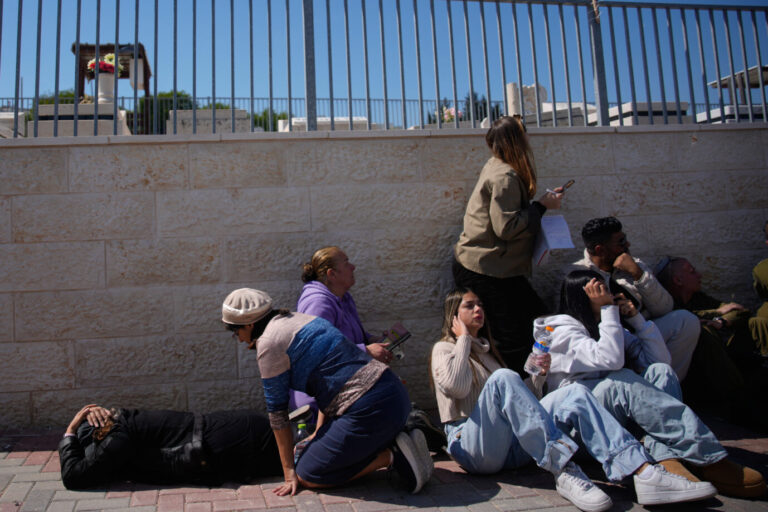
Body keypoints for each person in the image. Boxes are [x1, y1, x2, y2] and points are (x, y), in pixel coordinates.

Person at [430, 289, 719, 511]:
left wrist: (538, 378)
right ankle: (564, 469)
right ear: (453, 315)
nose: (479, 308)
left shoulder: (489, 354)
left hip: (511, 449)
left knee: (574, 393)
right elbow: (456, 387)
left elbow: (525, 409)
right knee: (505, 378)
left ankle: (640, 471)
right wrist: (463, 338)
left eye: (480, 304)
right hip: (470, 445)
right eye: (470, 305)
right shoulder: (444, 348)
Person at [535, 269, 766, 498]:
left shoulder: (607, 326)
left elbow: (659, 361)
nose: (608, 295)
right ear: (584, 296)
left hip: (611, 420)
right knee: (621, 381)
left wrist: (636, 318)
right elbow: (611, 358)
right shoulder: (560, 330)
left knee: (661, 372)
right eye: (600, 290)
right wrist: (608, 311)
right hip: (581, 430)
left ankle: (667, 458)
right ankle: (708, 457)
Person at [221, 288, 433, 496]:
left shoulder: (269, 343)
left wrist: (289, 473)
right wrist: (318, 433)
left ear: (249, 324)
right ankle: (398, 441)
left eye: (236, 331)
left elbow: (277, 413)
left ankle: (392, 456)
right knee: (309, 451)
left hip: (370, 410)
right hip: (395, 396)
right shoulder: (302, 319)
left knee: (309, 473)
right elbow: (328, 383)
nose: (238, 339)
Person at [297, 246, 446, 450]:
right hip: (321, 403)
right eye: (346, 263)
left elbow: (351, 335)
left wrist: (375, 340)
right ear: (331, 274)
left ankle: (408, 430)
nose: (353, 266)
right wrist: (367, 351)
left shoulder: (344, 297)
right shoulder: (319, 304)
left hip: (347, 384)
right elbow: (319, 353)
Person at [452, 115, 564, 374]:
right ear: (516, 140)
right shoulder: (506, 176)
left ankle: (534, 385)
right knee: (513, 338)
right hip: (486, 270)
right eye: (524, 134)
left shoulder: (497, 165)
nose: (529, 139)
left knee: (540, 323)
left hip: (495, 268)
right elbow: (507, 228)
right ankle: (523, 391)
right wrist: (542, 206)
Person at [567, 217, 699, 380]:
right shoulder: (578, 274)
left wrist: (638, 274)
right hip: (605, 339)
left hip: (640, 329)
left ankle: (670, 386)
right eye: (621, 242)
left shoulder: (633, 265)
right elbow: (572, 317)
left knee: (685, 320)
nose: (627, 245)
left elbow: (665, 308)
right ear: (600, 250)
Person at [655, 256, 768, 428]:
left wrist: (722, 321)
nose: (699, 275)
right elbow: (696, 316)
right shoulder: (668, 306)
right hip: (699, 375)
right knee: (705, 333)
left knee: (756, 323)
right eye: (692, 272)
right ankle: (739, 400)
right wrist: (716, 313)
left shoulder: (699, 299)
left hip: (727, 355)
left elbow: (738, 311)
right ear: (678, 280)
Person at [58, 404, 282, 489]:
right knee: (293, 447)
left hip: (229, 445)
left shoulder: (116, 440)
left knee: (297, 458)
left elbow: (74, 476)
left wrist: (70, 430)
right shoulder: (122, 422)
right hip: (231, 428)